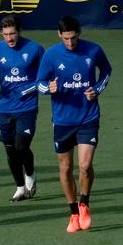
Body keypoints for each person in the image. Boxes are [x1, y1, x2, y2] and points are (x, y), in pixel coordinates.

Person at [36, 15, 112, 233]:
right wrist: (47, 88)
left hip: (88, 117)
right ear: (59, 35)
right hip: (62, 120)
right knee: (65, 168)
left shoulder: (93, 50)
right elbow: (39, 83)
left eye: (73, 38)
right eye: (66, 38)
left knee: (85, 166)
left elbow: (106, 71)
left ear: (79, 33)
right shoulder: (51, 55)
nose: (70, 43)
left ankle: (84, 203)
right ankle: (73, 213)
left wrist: (97, 89)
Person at [0, 15, 44, 202]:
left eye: (12, 33)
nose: (9, 38)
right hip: (5, 108)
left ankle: (30, 174)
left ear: (19, 31)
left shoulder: (35, 49)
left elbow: (46, 76)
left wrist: (28, 89)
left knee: (21, 146)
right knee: (9, 149)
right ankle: (20, 187)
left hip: (27, 107)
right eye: (5, 34)